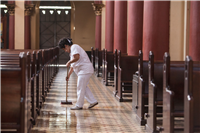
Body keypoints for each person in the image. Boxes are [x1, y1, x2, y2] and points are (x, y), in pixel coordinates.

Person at [58, 37, 98, 110]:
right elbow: (72, 66)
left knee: (80, 87)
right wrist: (68, 75)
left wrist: (69, 62)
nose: (65, 51)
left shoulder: (74, 47)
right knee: (83, 87)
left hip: (85, 70)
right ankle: (93, 101)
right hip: (84, 71)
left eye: (64, 49)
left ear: (66, 45)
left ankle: (79, 105)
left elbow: (77, 58)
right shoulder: (71, 53)